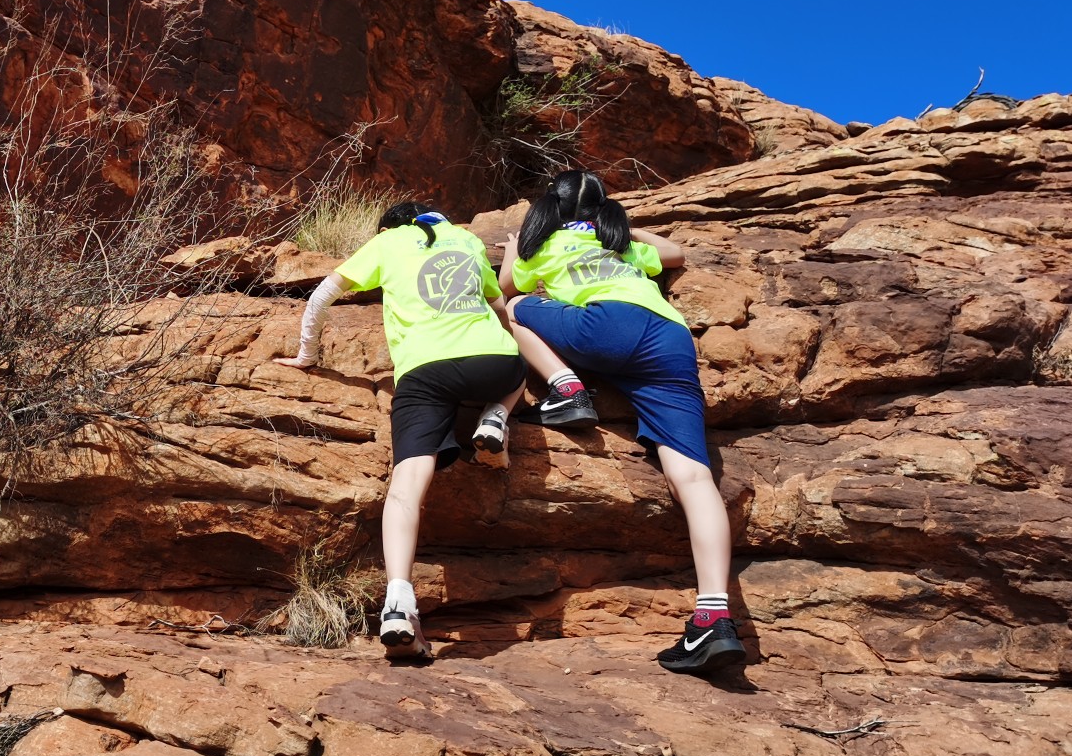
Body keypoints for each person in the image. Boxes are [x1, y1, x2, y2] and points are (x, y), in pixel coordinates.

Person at [499, 169, 742, 675]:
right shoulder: (624, 247)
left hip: (604, 327)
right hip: (669, 340)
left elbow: (505, 289)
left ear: (551, 210)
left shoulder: (543, 245)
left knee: (519, 308)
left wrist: (509, 251)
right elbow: (676, 253)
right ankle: (714, 615)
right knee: (694, 478)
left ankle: (565, 386)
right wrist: (622, 229)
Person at [277, 200, 535, 659]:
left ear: (389, 226)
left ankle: (398, 602)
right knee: (515, 373)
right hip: (493, 360)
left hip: (425, 373)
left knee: (405, 488)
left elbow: (320, 297)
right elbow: (498, 307)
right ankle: (496, 415)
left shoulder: (386, 242)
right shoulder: (467, 239)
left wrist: (307, 356)